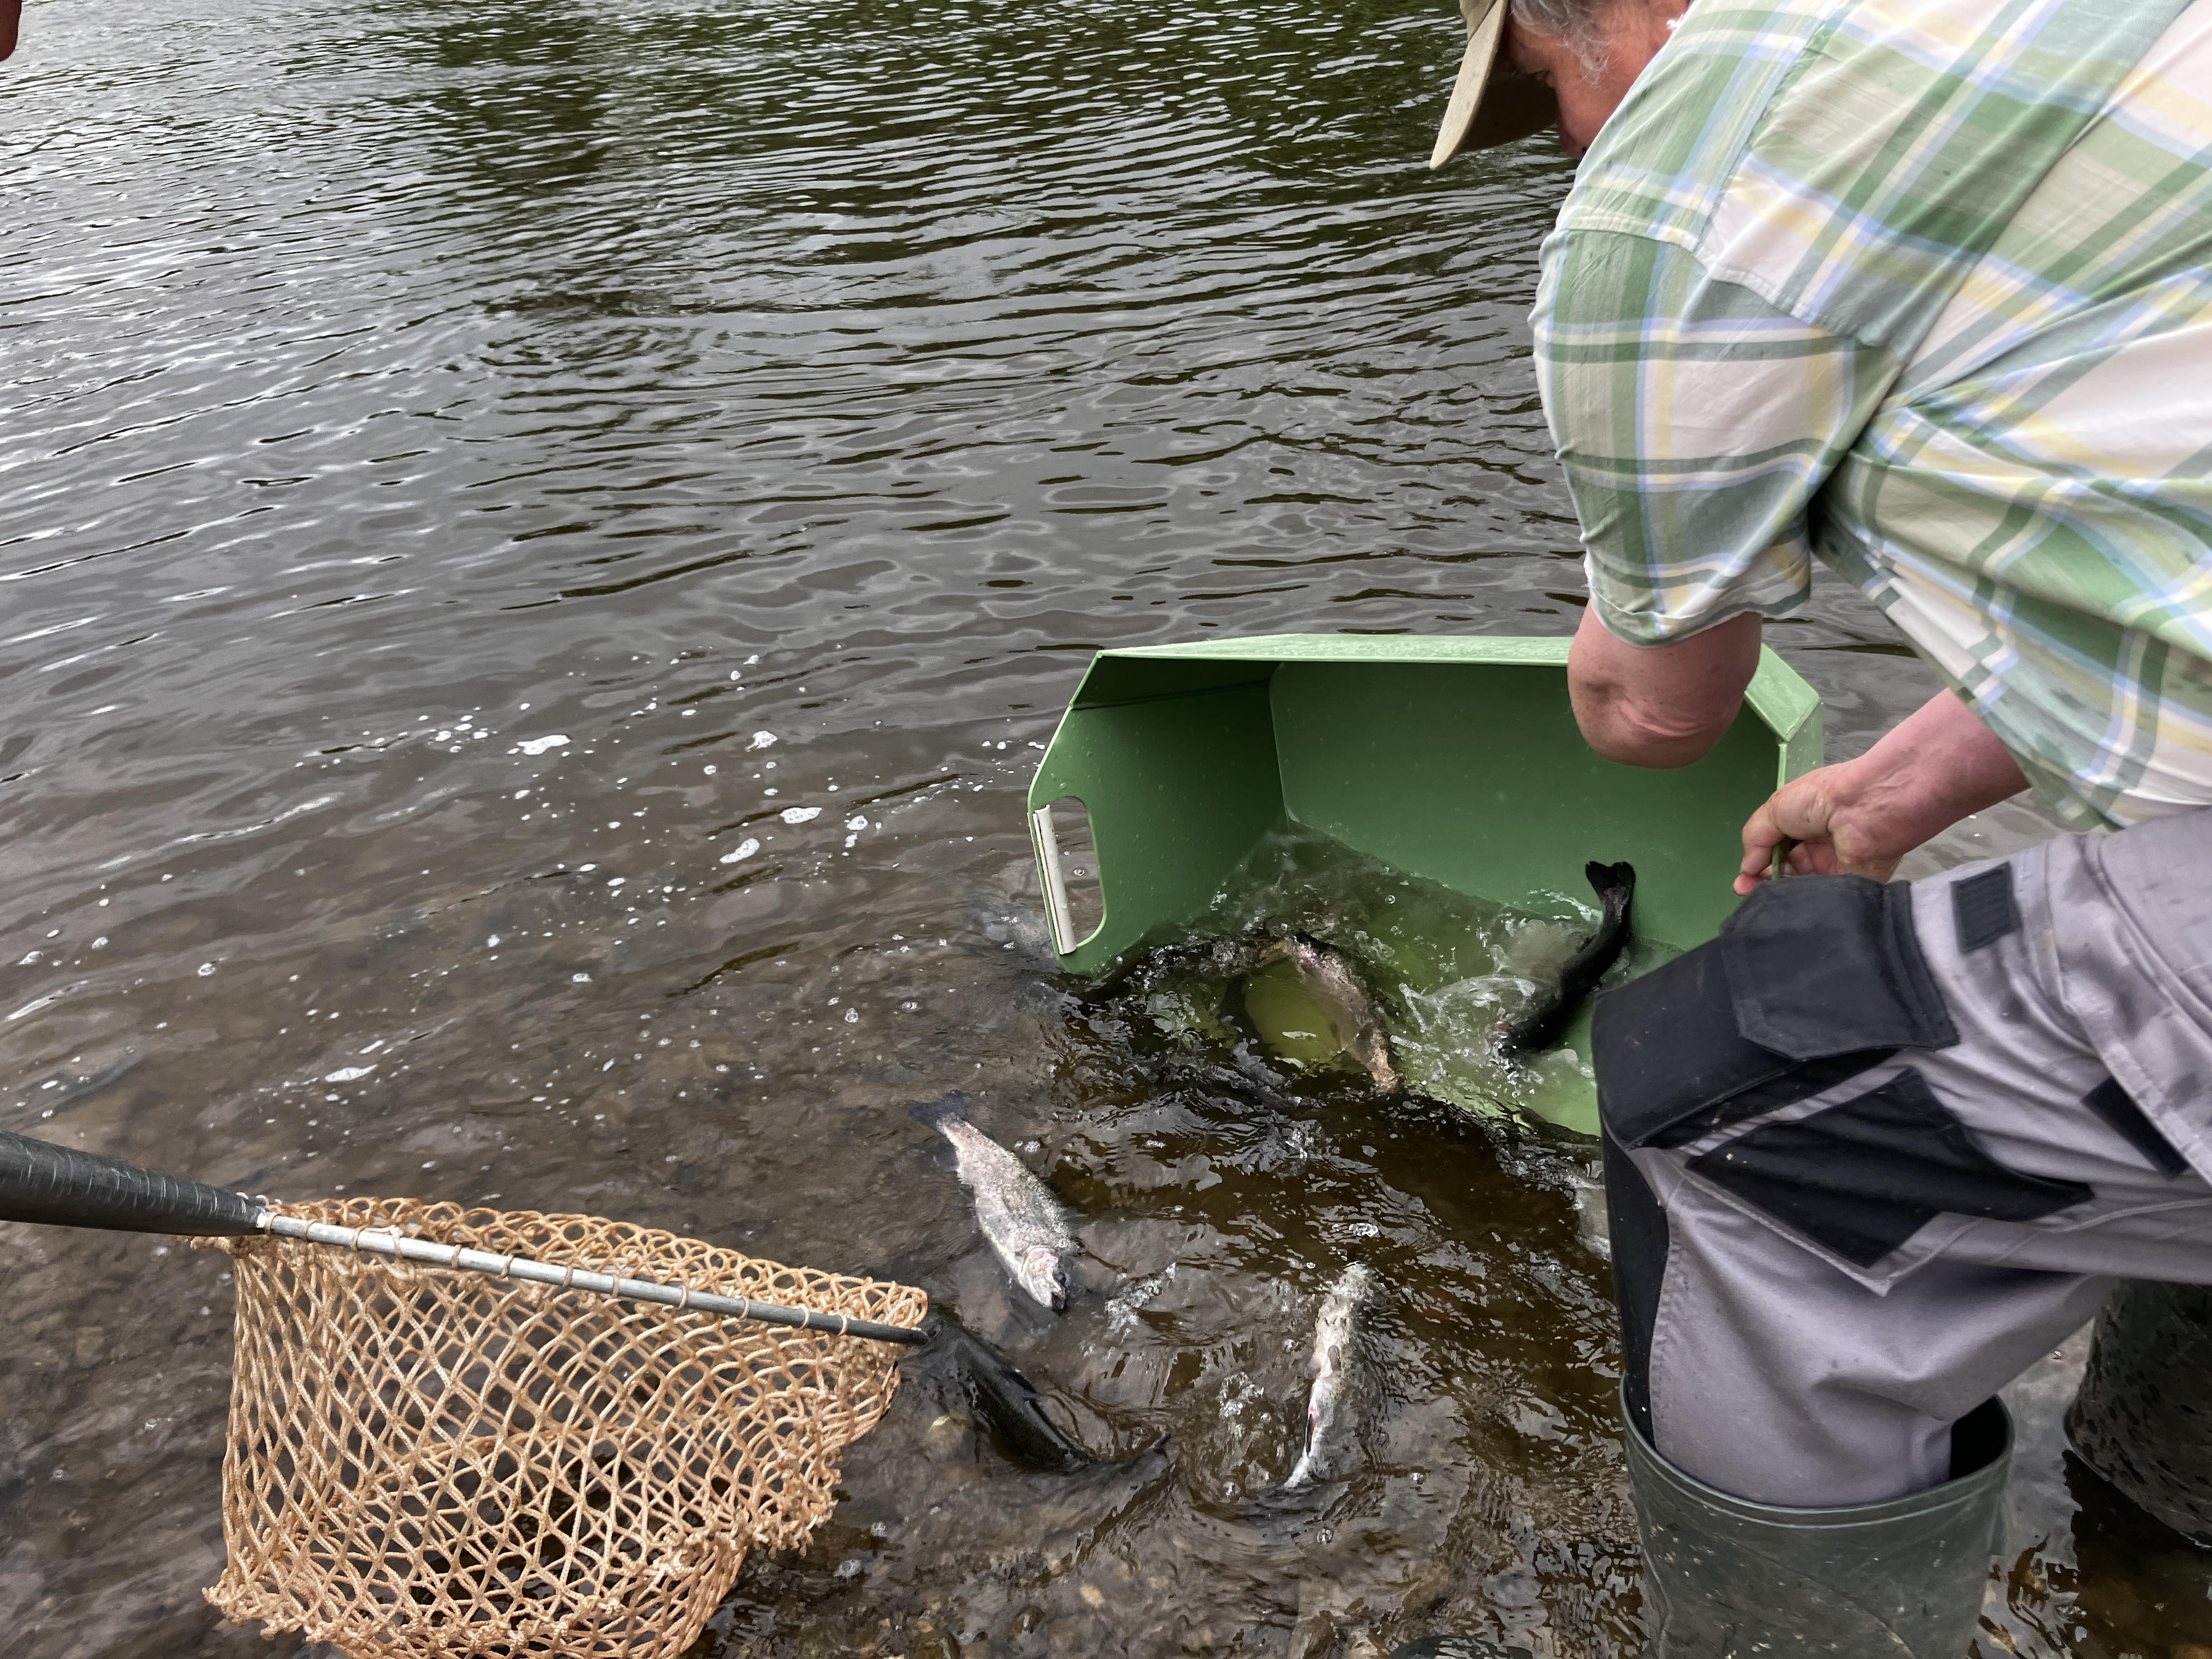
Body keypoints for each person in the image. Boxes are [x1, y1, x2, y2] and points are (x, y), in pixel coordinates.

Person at [1431, 0, 2212, 1650]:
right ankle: (2169, 1549)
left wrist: (1620, 602)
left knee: (1729, 1138)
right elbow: (2159, 562)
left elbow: (1658, 712)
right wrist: (1905, 781)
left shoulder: (1676, 181)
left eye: (1550, 100)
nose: (1574, 150)